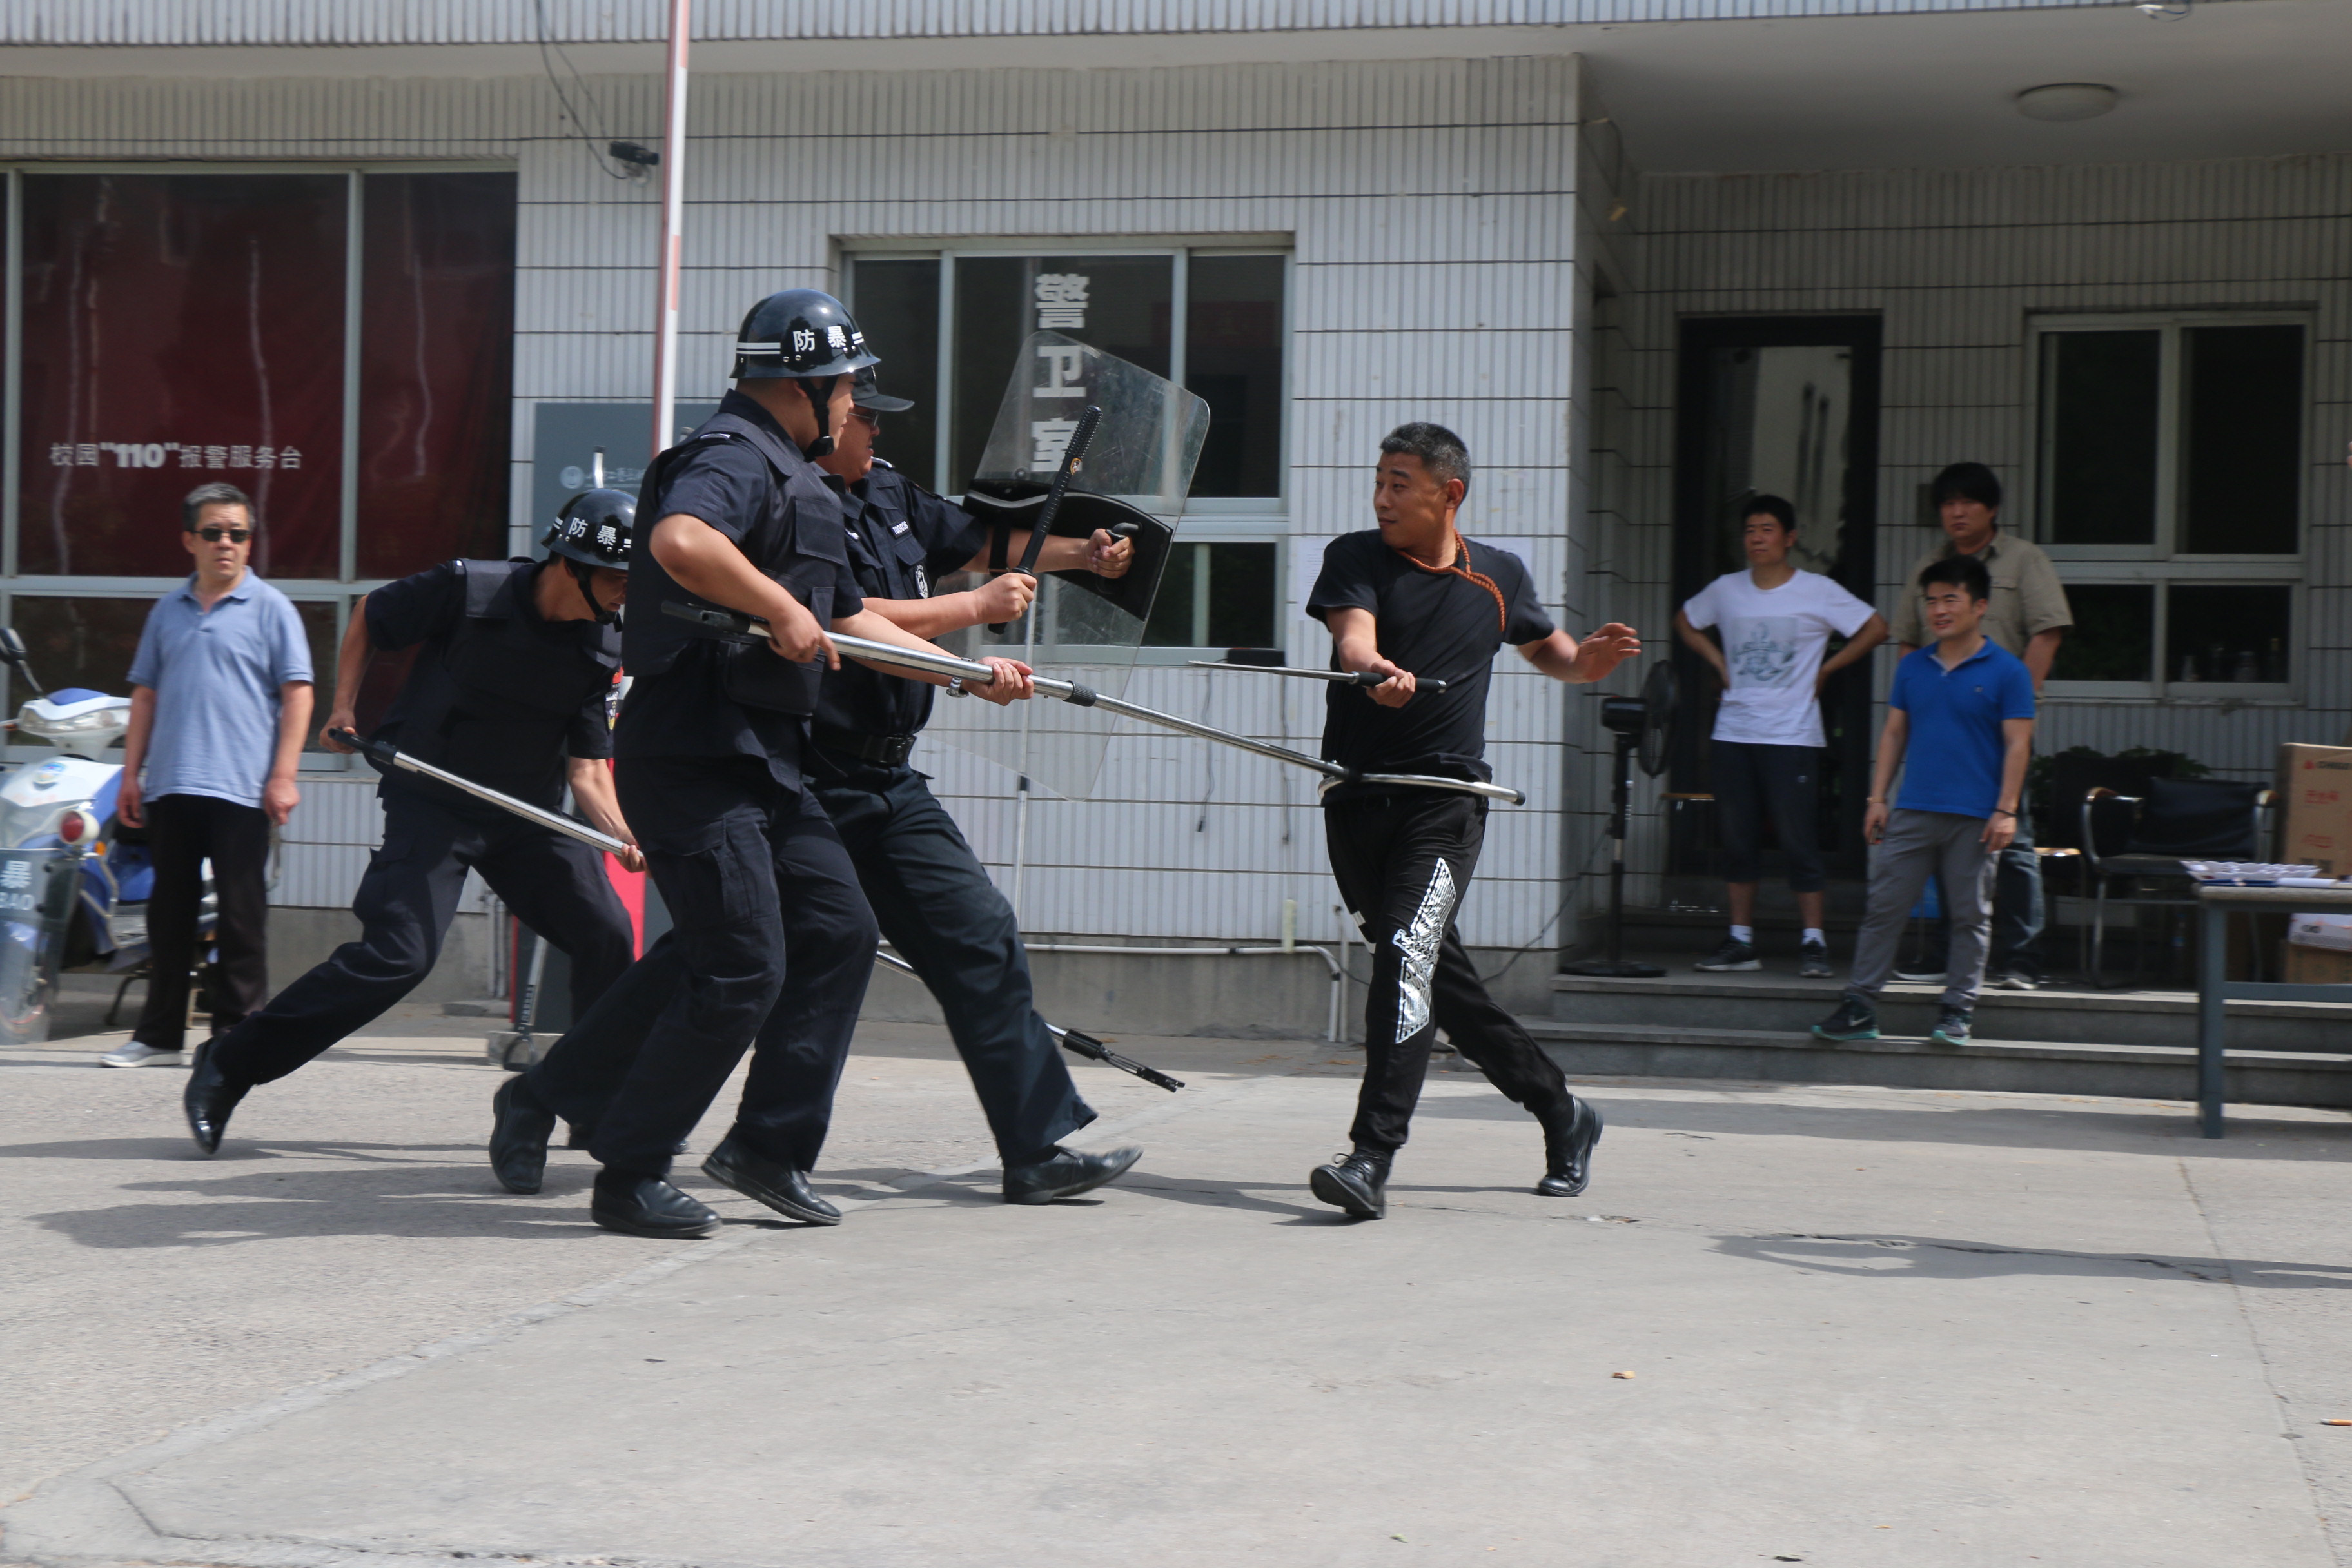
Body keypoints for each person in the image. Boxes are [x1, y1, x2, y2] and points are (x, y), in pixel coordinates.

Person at [493, 367, 1146, 1206]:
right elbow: (848, 618)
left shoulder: (886, 495)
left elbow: (973, 546)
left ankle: (1031, 1145)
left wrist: (1069, 562)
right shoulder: (773, 495)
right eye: (862, 411)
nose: (872, 429)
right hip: (801, 762)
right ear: (818, 409)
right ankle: (555, 1100)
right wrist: (966, 625)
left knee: (969, 931)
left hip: (885, 775)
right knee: (726, 957)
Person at [179, 492, 647, 1155]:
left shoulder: (605, 644)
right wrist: (344, 705)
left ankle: (588, 1100)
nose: (629, 593)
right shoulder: (471, 588)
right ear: (571, 564)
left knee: (606, 932)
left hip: (523, 815)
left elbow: (588, 772)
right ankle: (229, 1063)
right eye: (619, 578)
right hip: (432, 798)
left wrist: (625, 834)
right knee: (399, 956)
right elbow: (375, 612)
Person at [1302, 422, 1640, 1220]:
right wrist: (1374, 669)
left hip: (1444, 805)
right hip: (1355, 801)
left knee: (1403, 958)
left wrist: (1584, 663)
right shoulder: (1354, 556)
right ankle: (1563, 1110)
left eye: (1400, 483)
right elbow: (1354, 637)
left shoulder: (1498, 576)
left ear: (1448, 493)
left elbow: (1551, 649)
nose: (1382, 497)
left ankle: (1371, 1154)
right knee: (1434, 980)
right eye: (1379, 481)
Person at [101, 483, 312, 1069]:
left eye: (238, 534)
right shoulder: (167, 611)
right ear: (189, 540)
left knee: (242, 923)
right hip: (171, 785)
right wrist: (130, 775)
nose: (227, 544)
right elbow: (144, 696)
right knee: (169, 918)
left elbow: (298, 696)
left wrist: (284, 776)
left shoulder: (272, 609)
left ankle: (235, 1041)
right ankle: (160, 1037)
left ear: (250, 542)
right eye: (215, 533)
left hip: (243, 789)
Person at [1811, 555, 2034, 1049]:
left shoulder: (2008, 672)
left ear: (1979, 606)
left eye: (1950, 598)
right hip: (1913, 808)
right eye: (1931, 600)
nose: (1938, 609)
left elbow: (2019, 743)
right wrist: (1877, 798)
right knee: (1884, 908)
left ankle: (1957, 1010)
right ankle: (1861, 1006)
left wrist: (2007, 809)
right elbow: (1894, 734)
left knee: (1969, 916)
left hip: (1976, 816)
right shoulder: (1912, 667)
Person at [1674, 495, 1886, 978]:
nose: (1757, 538)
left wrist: (1828, 669)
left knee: (1798, 841)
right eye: (1750, 530)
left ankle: (1814, 940)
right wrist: (1718, 662)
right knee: (1738, 840)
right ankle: (1740, 939)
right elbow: (1685, 621)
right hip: (1735, 732)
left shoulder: (1818, 590)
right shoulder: (1727, 590)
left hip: (1793, 736)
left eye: (1767, 529)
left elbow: (1876, 627)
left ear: (1789, 538)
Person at [1888, 462, 2070, 990]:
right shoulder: (1930, 564)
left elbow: (2048, 632)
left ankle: (2021, 959)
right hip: (1939, 727)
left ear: (1991, 509)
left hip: (2000, 728)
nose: (1957, 512)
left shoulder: (2023, 559)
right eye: (1948, 503)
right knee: (1944, 840)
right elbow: (1906, 640)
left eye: (1968, 502)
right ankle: (1947, 954)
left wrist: (2018, 702)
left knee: (2011, 839)